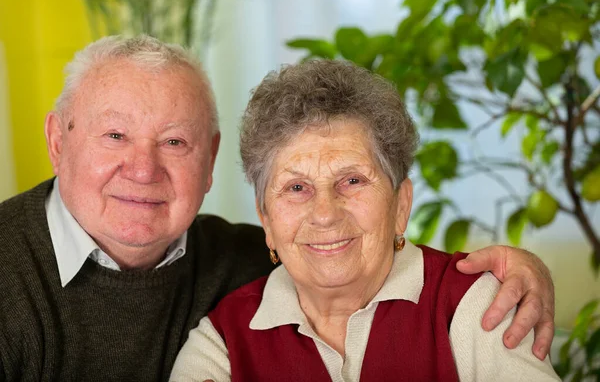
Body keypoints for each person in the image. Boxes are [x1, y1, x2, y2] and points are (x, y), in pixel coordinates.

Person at [0, 36, 553, 381]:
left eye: (174, 142)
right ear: (57, 140)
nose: (143, 169)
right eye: (115, 134)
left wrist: (523, 267)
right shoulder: (222, 336)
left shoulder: (247, 259)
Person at [169, 60, 560, 381]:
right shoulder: (220, 343)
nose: (325, 213)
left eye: (352, 180)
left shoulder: (473, 305)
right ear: (266, 220)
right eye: (296, 188)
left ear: (401, 204)